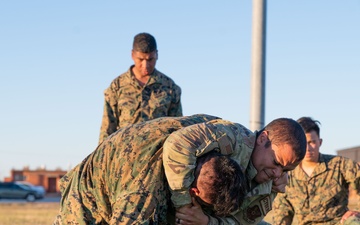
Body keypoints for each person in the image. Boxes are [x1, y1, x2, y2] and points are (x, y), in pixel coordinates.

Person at [53, 114, 248, 225]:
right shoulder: (144, 196)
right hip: (86, 204)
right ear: (193, 192)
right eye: (201, 204)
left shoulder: (210, 137)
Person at [162, 116, 307, 225]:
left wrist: (205, 221)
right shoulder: (233, 138)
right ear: (262, 139)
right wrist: (185, 207)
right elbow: (177, 145)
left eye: (286, 170)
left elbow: (241, 223)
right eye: (276, 162)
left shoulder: (272, 185)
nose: (277, 174)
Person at [271, 117, 360, 225]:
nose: (308, 148)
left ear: (320, 142)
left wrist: (357, 212)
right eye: (304, 143)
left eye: (312, 142)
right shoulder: (288, 175)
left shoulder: (340, 165)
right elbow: (282, 213)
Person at [98, 32, 183, 143]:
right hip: (124, 156)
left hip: (158, 156)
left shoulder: (170, 87)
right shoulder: (117, 87)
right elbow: (107, 130)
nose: (145, 65)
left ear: (157, 55)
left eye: (150, 59)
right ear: (132, 55)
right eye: (141, 59)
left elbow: (178, 128)